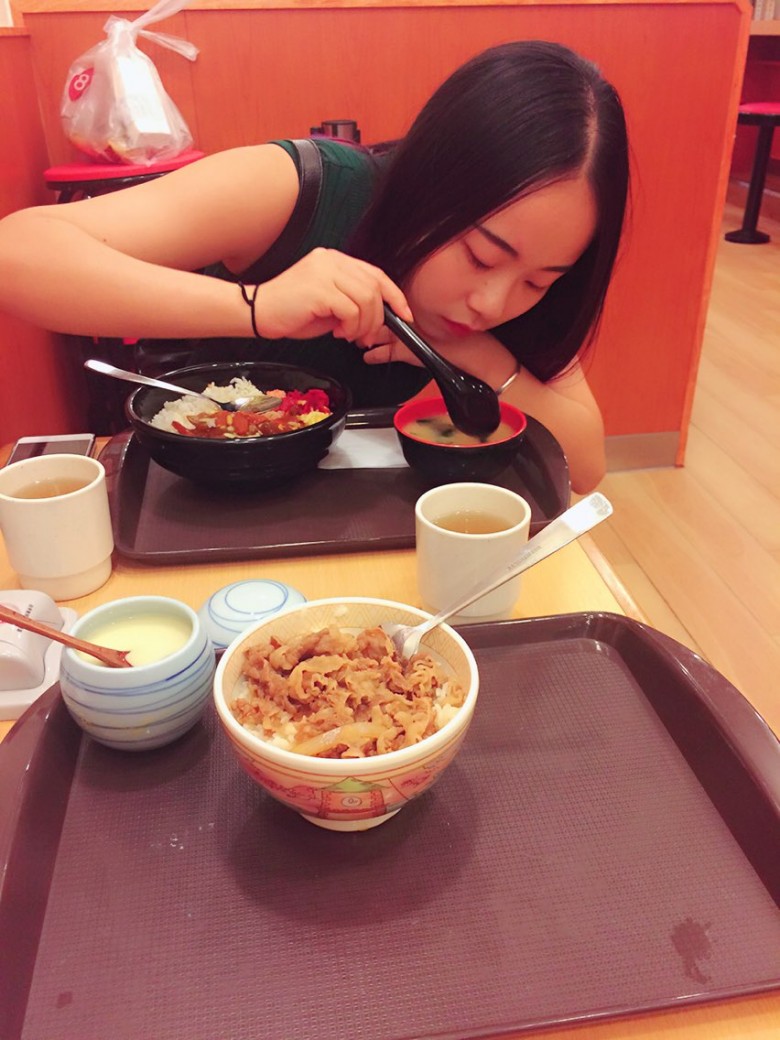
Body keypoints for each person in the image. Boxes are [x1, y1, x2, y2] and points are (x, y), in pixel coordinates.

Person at [0, 40, 629, 492]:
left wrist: (473, 356)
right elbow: (18, 254)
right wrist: (257, 308)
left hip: (349, 516)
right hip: (198, 495)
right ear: (432, 183)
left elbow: (585, 465)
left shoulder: (518, 288)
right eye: (481, 256)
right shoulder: (304, 188)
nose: (493, 303)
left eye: (539, 281)